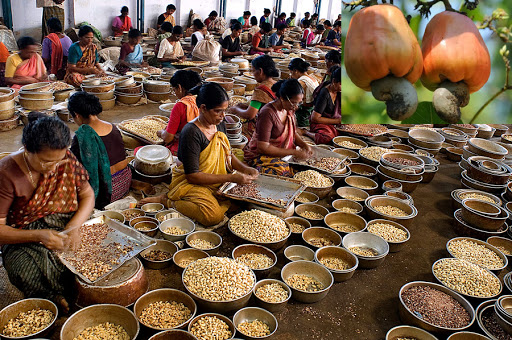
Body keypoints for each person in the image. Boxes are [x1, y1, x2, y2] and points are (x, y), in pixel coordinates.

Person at [0, 112, 95, 314]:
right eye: (46, 163)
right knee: (25, 270)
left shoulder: (64, 158)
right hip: (23, 233)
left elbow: (87, 195)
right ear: (27, 150)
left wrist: (74, 227)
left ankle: (77, 293)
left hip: (64, 220)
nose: (53, 170)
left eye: (58, 162)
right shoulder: (7, 172)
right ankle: (51, 299)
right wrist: (38, 235)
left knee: (92, 253)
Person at [139, 83, 258, 227]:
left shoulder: (219, 123)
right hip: (192, 183)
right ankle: (168, 200)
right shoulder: (191, 132)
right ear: (203, 108)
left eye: (224, 110)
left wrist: (245, 169)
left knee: (246, 200)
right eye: (218, 111)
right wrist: (231, 177)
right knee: (212, 217)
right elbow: (193, 176)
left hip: (216, 179)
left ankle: (218, 200)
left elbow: (228, 154)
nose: (223, 115)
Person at [68, 92, 131, 209]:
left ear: (76, 115)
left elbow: (73, 165)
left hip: (108, 191)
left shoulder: (83, 136)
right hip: (125, 181)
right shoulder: (112, 126)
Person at [244, 79, 312, 177]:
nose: (296, 107)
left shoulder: (289, 109)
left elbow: (291, 133)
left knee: (307, 166)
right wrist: (293, 152)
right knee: (283, 171)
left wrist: (304, 145)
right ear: (282, 98)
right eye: (294, 103)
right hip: (261, 155)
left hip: (282, 154)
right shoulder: (267, 112)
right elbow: (263, 148)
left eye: (299, 103)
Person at [230, 55, 278, 137]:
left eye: (253, 71)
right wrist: (246, 105)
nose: (252, 74)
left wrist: (236, 109)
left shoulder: (261, 90)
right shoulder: (276, 84)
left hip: (268, 127)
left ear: (260, 71)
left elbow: (249, 115)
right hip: (277, 123)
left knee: (233, 128)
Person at [157, 70, 202, 155]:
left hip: (185, 150)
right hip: (203, 147)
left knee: (138, 150)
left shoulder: (181, 106)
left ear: (180, 87)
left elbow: (168, 138)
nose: (175, 93)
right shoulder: (203, 99)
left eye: (174, 90)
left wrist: (161, 133)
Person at [303, 67, 341, 144]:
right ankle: (305, 132)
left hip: (335, 122)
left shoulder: (339, 92)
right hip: (321, 123)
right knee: (327, 138)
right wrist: (337, 121)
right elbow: (315, 118)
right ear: (334, 81)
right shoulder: (325, 93)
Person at [288, 58, 319, 127]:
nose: (291, 75)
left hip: (305, 110)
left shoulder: (302, 82)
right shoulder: (312, 78)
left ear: (295, 71)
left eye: (291, 72)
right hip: (313, 108)